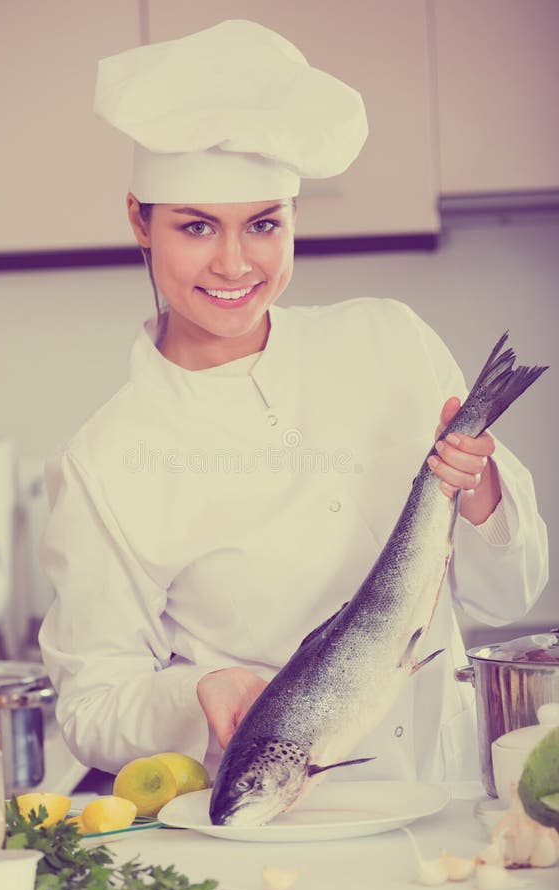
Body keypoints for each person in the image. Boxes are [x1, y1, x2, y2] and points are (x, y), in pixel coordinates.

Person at [38, 20, 548, 785]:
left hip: (440, 799)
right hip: (274, 821)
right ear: (139, 220)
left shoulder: (391, 340)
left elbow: (513, 594)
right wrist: (194, 693)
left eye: (264, 224)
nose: (234, 262)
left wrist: (479, 492)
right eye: (197, 226)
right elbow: (92, 707)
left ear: (295, 220)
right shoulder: (103, 460)